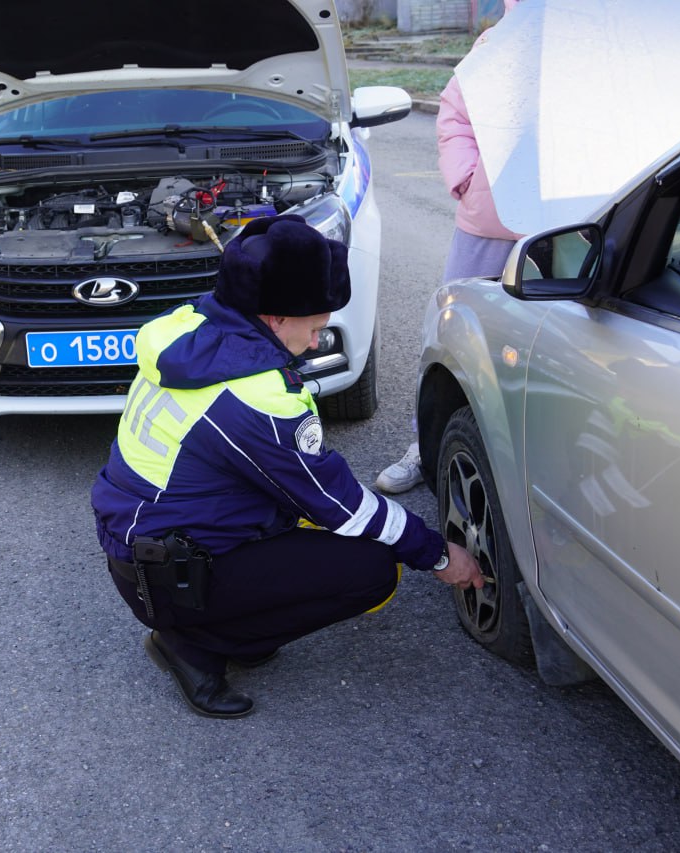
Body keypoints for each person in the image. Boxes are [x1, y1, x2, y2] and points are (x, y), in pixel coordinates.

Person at [91, 215, 483, 719]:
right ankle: (191, 645)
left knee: (310, 531)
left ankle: (234, 621)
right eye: (316, 327)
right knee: (372, 569)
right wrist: (437, 555)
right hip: (170, 575)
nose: (319, 341)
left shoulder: (191, 328)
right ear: (275, 318)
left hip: (145, 547)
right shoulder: (253, 398)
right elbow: (343, 506)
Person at [376, 0, 525, 495]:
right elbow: (454, 114)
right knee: (450, 336)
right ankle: (426, 445)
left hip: (577, 223)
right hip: (487, 221)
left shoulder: (599, 46)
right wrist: (466, 178)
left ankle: (531, 464)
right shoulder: (495, 44)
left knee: (557, 352)